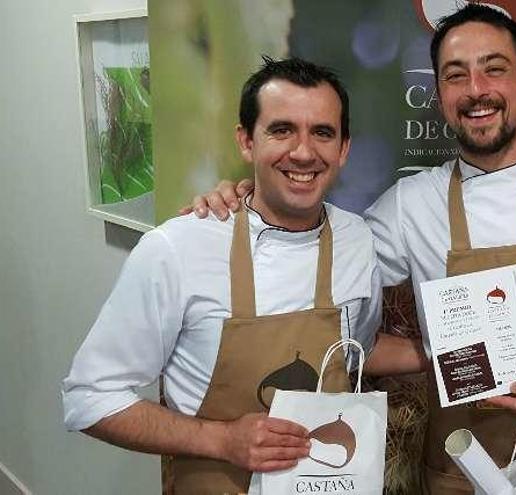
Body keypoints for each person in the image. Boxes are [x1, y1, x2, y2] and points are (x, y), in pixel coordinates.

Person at [190, 5, 516, 493]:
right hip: (460, 466)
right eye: (455, 75)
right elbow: (316, 270)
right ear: (439, 94)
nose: (476, 90)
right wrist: (250, 200)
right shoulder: (408, 206)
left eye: (494, 69)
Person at [62, 56, 424, 494]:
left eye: (322, 133)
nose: (304, 151)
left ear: (344, 148)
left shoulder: (357, 241)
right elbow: (88, 397)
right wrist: (221, 439)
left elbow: (356, 354)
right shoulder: (176, 249)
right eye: (281, 129)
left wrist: (468, 350)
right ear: (246, 142)